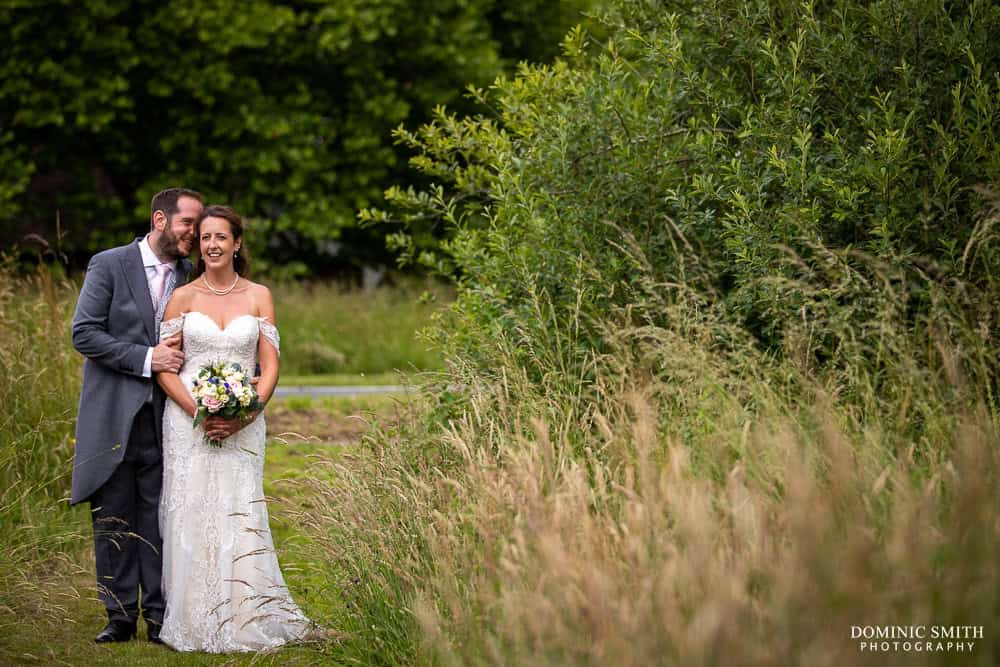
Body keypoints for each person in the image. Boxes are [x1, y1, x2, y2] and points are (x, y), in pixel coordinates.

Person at [155, 205, 310, 652]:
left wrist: (246, 413)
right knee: (191, 508)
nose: (212, 245)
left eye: (221, 237)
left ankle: (247, 612)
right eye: (205, 238)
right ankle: (192, 614)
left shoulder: (260, 295)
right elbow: (166, 369)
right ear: (198, 246)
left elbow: (270, 364)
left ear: (237, 243)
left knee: (240, 509)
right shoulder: (182, 298)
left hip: (244, 423)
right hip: (188, 421)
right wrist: (201, 414)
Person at [70, 187, 205, 644]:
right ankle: (120, 615)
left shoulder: (193, 274)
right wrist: (147, 358)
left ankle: (161, 616)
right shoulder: (109, 264)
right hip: (113, 415)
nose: (196, 232)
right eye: (189, 223)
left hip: (171, 417)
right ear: (160, 220)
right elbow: (84, 333)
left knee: (161, 517)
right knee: (113, 516)